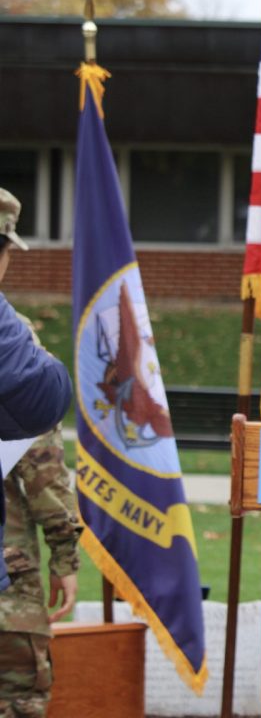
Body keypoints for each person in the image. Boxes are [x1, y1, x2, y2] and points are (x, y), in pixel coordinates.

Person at [0, 188, 75, 717]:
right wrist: (64, 555)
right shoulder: (14, 343)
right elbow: (41, 464)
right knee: (18, 699)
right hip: (11, 562)